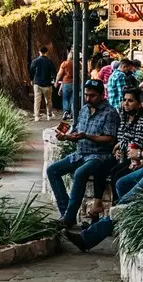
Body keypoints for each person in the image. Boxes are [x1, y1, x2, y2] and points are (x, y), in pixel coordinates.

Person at [70, 83, 143, 252]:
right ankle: (124, 221)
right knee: (122, 183)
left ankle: (89, 237)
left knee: (125, 202)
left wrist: (138, 155)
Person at [46, 81, 118, 227]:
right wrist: (66, 136)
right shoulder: (84, 109)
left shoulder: (110, 113)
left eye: (92, 96)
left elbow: (110, 140)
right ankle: (66, 212)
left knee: (80, 173)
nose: (88, 98)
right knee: (52, 170)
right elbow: (76, 131)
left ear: (101, 95)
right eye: (86, 95)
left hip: (99, 155)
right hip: (80, 153)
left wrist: (87, 136)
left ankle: (68, 217)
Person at [28, 47, 58, 120]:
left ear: (39, 52)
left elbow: (31, 71)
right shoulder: (49, 61)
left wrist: (31, 79)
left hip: (37, 83)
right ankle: (49, 115)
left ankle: (37, 116)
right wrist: (54, 80)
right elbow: (54, 72)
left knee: (37, 100)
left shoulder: (35, 61)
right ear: (46, 52)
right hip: (47, 84)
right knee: (48, 101)